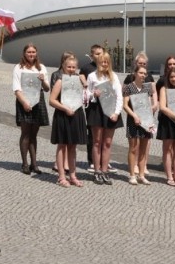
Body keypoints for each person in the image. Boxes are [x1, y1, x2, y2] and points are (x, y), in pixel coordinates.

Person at [49, 53, 87, 187]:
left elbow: (85, 97)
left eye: (73, 67)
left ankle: (73, 175)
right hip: (63, 115)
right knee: (62, 145)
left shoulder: (79, 81)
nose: (71, 69)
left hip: (76, 114)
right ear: (64, 67)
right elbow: (52, 100)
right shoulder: (60, 81)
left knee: (73, 146)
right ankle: (61, 176)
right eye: (69, 67)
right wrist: (64, 108)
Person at [12, 44, 50, 175]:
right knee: (25, 133)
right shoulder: (18, 67)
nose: (31, 54)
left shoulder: (42, 68)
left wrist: (43, 80)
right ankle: (25, 164)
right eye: (29, 52)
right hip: (24, 101)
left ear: (36, 53)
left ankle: (34, 164)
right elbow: (16, 89)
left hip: (38, 100)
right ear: (24, 53)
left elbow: (46, 88)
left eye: (33, 52)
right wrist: (24, 103)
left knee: (34, 134)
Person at [86, 52, 123, 185]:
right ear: (98, 62)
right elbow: (86, 95)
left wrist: (117, 113)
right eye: (102, 61)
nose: (104, 63)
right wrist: (93, 94)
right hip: (96, 110)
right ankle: (97, 171)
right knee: (96, 142)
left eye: (107, 61)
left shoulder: (114, 77)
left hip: (111, 110)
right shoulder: (91, 76)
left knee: (107, 143)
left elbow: (119, 95)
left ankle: (105, 170)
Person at [122, 64, 157, 185]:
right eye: (141, 73)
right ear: (135, 74)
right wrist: (134, 115)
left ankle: (141, 174)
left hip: (146, 120)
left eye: (145, 73)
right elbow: (125, 105)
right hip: (133, 120)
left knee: (143, 149)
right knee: (133, 148)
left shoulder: (148, 88)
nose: (143, 75)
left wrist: (152, 110)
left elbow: (150, 102)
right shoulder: (129, 87)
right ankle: (132, 174)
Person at [81, 44, 104, 171]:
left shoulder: (106, 67)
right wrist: (85, 83)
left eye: (101, 53)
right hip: (92, 105)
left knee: (104, 135)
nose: (99, 56)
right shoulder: (86, 68)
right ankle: (92, 160)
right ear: (91, 55)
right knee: (93, 134)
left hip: (105, 105)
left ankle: (103, 160)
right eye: (97, 54)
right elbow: (82, 78)